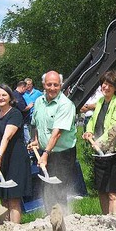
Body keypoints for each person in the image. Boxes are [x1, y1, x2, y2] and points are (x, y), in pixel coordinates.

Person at [82, 70, 116, 214]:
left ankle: (115, 223)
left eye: (110, 85)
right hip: (100, 152)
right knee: (102, 190)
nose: (106, 87)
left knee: (113, 193)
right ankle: (105, 220)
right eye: (104, 83)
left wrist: (100, 141)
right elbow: (93, 119)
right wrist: (89, 131)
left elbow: (115, 127)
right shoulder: (101, 101)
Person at [30, 70, 77, 213]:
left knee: (59, 189)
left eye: (56, 85)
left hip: (62, 154)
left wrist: (45, 153)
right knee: (46, 188)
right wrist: (36, 140)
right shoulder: (39, 102)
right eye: (49, 84)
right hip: (46, 152)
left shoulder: (65, 104)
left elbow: (57, 134)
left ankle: (62, 222)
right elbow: (36, 124)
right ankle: (49, 219)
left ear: (61, 85)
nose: (52, 88)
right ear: (43, 85)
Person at [0, 83, 33, 223]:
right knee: (3, 197)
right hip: (2, 158)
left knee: (13, 198)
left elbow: (6, 136)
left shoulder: (15, 114)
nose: (1, 98)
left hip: (15, 159)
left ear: (10, 97)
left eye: (4, 95)